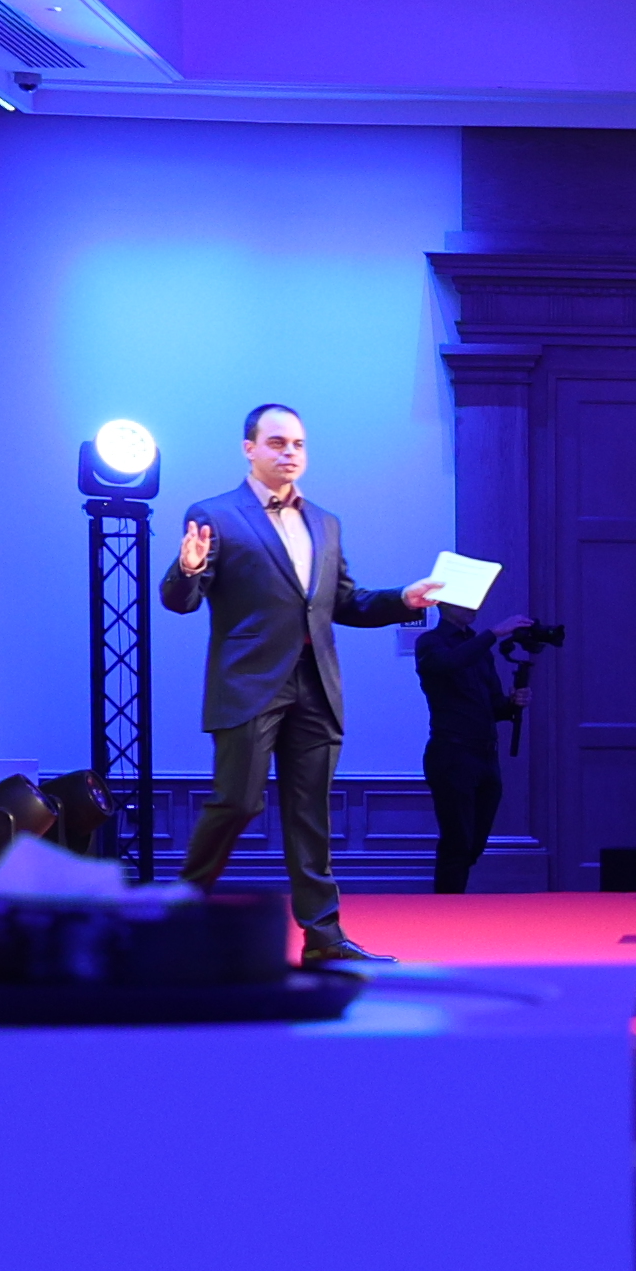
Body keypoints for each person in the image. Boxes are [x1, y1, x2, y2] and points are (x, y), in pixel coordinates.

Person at [163, 400, 448, 968]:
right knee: (237, 802)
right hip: (247, 687)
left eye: (297, 444)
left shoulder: (325, 521)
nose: (289, 453)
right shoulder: (215, 515)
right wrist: (189, 567)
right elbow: (181, 602)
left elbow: (344, 602)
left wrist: (403, 601)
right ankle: (178, 915)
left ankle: (323, 936)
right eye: (276, 443)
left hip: (316, 686)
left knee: (310, 812)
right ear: (249, 448)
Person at [415, 595, 537, 896]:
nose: (473, 607)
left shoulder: (480, 650)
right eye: (464, 601)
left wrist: (511, 704)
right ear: (443, 604)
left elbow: (493, 705)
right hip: (451, 753)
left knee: (474, 843)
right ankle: (447, 911)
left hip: (485, 755)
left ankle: (451, 901)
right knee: (457, 841)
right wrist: (493, 634)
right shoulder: (431, 643)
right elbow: (448, 664)